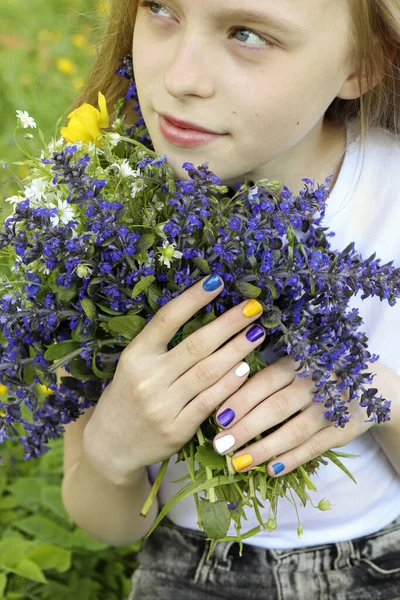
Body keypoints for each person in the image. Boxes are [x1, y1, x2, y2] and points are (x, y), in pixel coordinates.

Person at [61, 1, 400, 598]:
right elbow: (108, 525)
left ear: (363, 62)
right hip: (187, 568)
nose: (180, 78)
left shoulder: (389, 196)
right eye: (160, 7)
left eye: (249, 34)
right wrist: (111, 448)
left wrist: (379, 398)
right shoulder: (99, 209)